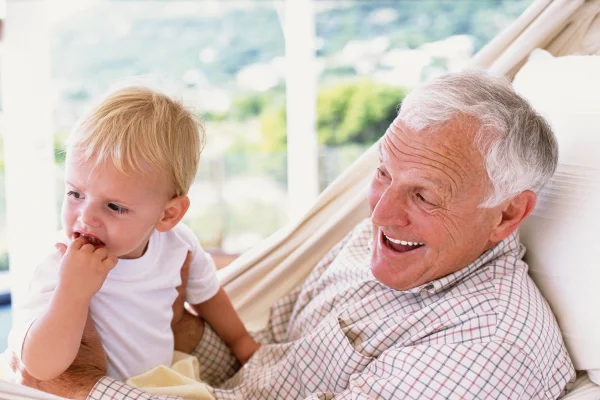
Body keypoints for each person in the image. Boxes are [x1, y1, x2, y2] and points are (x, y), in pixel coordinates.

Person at [10, 70, 575, 399]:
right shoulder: (386, 242)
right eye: (382, 173)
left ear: (506, 215)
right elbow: (271, 353)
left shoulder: (480, 350)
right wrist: (174, 324)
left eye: (424, 195)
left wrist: (89, 386)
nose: (381, 214)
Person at [7, 87, 259, 382]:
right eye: (75, 193)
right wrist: (71, 292)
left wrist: (241, 341)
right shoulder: (60, 262)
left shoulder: (178, 245)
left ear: (168, 215)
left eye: (114, 206)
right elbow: (39, 367)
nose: (86, 217)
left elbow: (208, 295)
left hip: (162, 383)